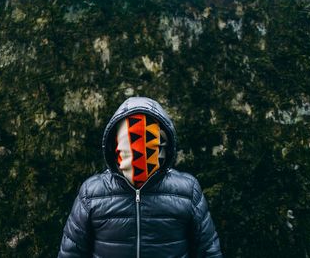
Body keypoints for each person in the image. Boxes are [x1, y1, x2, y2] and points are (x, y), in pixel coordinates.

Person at [58, 97, 222, 258]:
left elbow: (208, 251)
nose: (138, 152)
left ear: (162, 144)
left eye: (148, 142)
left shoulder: (186, 190)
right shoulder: (92, 192)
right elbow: (71, 252)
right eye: (130, 142)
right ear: (116, 144)